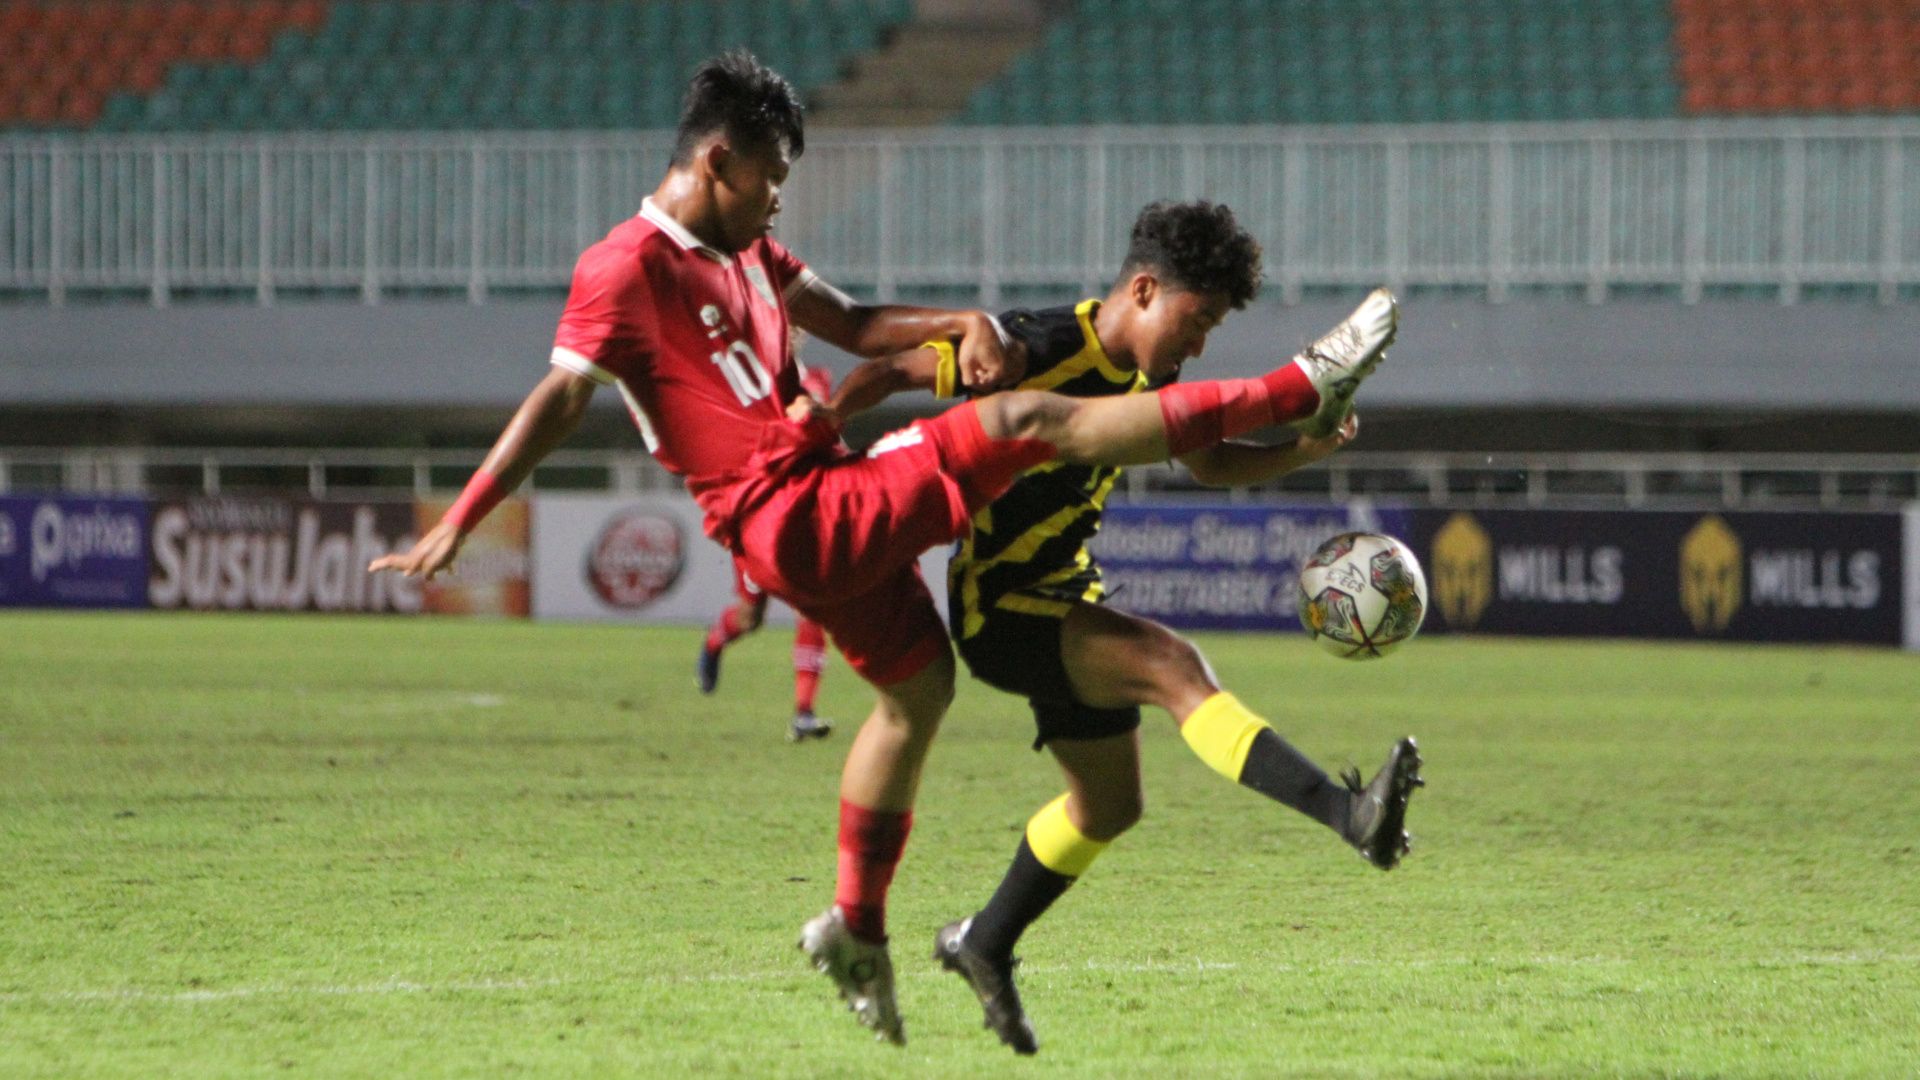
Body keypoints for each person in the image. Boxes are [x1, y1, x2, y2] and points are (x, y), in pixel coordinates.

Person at [368, 52, 1397, 1047]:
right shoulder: (625, 266)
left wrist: (951, 323)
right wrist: (465, 512)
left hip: (820, 504)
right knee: (1030, 429)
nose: (780, 198)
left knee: (922, 694)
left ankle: (860, 930)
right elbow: (562, 394)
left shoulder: (753, 254)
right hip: (794, 513)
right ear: (718, 161)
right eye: (771, 177)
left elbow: (857, 327)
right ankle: (1305, 378)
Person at [827, 200, 1423, 1056]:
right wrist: (834, 419)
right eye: (1198, 318)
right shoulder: (1039, 345)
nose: (1201, 343)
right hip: (1002, 607)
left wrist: (1299, 452)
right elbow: (893, 368)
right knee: (1172, 666)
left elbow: (1206, 457)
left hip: (1062, 592)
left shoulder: (1145, 370)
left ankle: (982, 943)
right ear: (1144, 289)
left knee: (1109, 804)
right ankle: (1349, 815)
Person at [698, 364, 836, 743]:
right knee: (750, 616)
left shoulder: (813, 379)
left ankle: (803, 712)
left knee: (811, 608)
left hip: (803, 509)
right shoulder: (739, 379)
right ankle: (714, 643)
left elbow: (821, 417)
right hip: (757, 514)